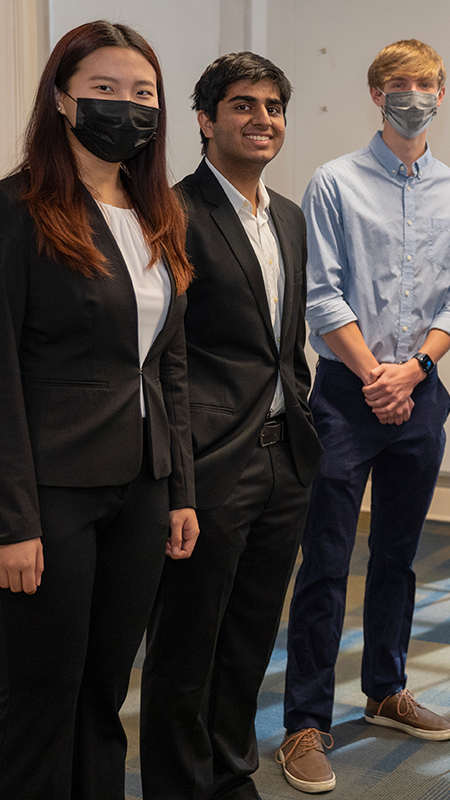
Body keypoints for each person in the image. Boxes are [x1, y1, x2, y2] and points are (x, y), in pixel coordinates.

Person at [275, 39, 450, 793]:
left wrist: (414, 371)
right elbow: (321, 295)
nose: (414, 94)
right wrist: (375, 376)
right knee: (326, 561)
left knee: (398, 553)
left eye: (426, 82)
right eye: (400, 84)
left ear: (441, 92)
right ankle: (304, 725)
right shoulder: (333, 183)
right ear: (376, 95)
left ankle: (386, 690)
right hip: (344, 396)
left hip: (419, 394)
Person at [0, 20, 197, 799]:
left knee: (106, 689)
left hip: (141, 486)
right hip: (51, 494)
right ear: (60, 100)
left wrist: (179, 487)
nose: (127, 106)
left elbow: (168, 363)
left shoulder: (157, 212)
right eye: (105, 91)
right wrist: (11, 519)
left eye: (142, 93)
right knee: (41, 692)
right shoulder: (16, 210)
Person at [139, 53, 322, 800]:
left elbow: (287, 343)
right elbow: (164, 358)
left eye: (274, 106)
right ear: (206, 120)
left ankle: (229, 772)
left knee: (248, 637)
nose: (262, 119)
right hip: (210, 466)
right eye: (243, 105)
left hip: (284, 462)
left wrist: (302, 421)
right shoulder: (172, 212)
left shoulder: (288, 215)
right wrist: (179, 478)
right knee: (187, 647)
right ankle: (181, 786)